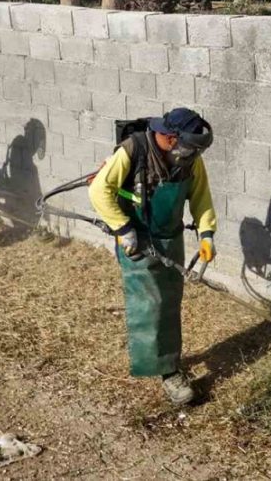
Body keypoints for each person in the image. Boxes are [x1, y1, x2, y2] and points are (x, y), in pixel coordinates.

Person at [88, 108, 217, 406]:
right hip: (137, 239)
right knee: (150, 303)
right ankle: (167, 372)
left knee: (169, 302)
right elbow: (99, 190)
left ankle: (166, 359)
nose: (195, 155)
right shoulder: (134, 151)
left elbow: (201, 196)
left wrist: (206, 234)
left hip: (170, 239)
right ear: (171, 139)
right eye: (191, 147)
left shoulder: (189, 161)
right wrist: (123, 228)